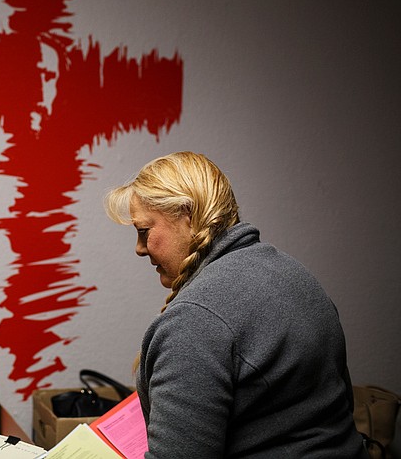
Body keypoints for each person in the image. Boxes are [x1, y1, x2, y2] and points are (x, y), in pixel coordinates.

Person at [104, 151, 366, 458]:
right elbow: (339, 403)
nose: (139, 249)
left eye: (143, 231)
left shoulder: (193, 324)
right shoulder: (297, 276)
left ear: (187, 215)